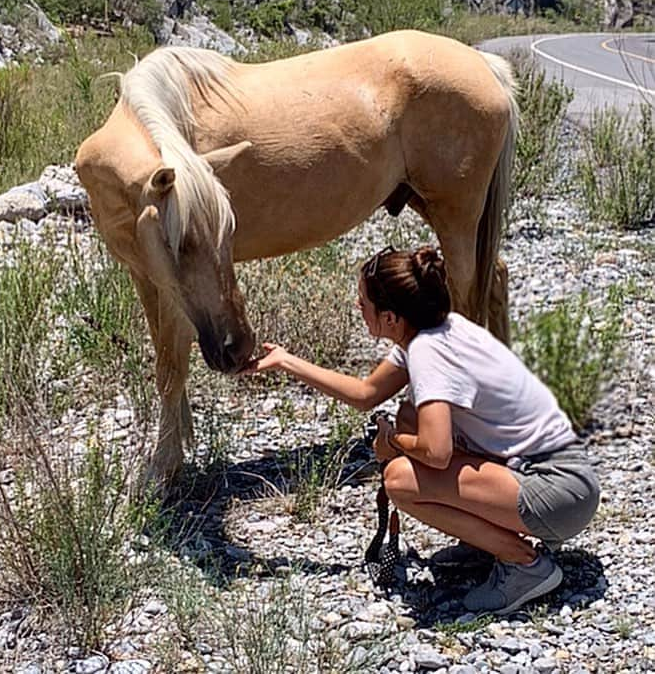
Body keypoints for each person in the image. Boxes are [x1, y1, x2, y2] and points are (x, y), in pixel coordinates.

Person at [241, 245, 600, 614]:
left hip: (557, 493)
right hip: (564, 483)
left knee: (400, 479)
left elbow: (437, 451)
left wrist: (390, 441)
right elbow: (366, 393)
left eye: (363, 300)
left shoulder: (429, 353)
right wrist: (286, 361)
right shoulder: (438, 329)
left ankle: (524, 564)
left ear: (392, 317)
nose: (356, 305)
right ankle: (485, 545)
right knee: (410, 414)